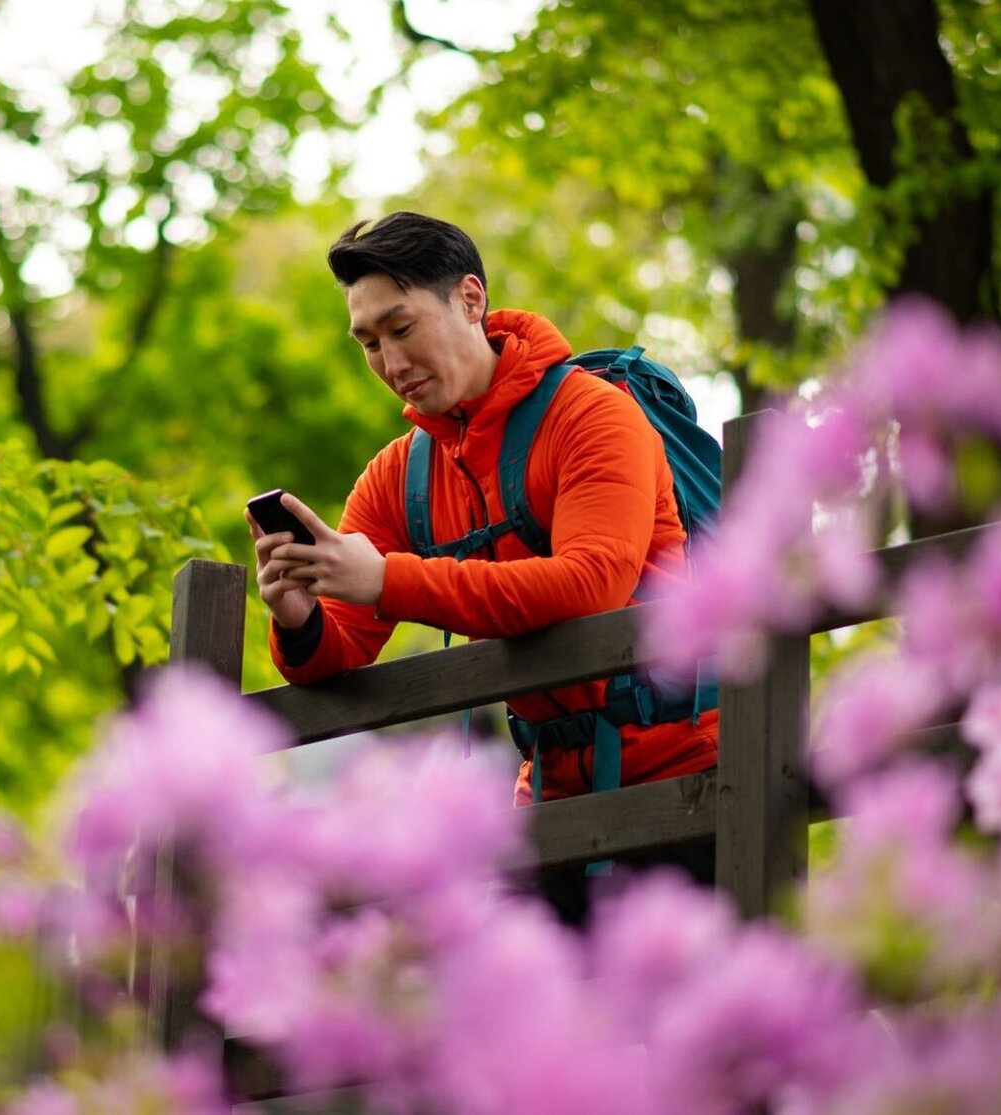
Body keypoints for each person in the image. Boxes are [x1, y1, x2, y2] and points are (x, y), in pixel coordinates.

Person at [246, 211, 720, 826]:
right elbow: (339, 650)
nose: (390, 362)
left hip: (690, 773)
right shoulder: (397, 477)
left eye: (401, 327)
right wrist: (298, 615)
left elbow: (591, 584)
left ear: (470, 299)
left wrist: (387, 580)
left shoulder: (594, 416)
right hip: (547, 794)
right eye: (368, 343)